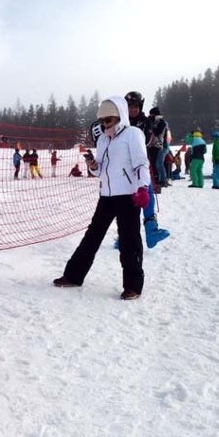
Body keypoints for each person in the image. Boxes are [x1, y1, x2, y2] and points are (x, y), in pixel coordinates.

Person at [54, 96, 148, 300]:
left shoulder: (133, 134)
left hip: (128, 195)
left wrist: (142, 188)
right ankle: (73, 275)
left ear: (120, 116)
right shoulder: (103, 139)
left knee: (129, 239)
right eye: (102, 120)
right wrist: (93, 165)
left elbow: (141, 163)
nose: (105, 124)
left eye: (109, 120)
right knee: (92, 236)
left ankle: (133, 286)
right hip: (106, 195)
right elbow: (100, 170)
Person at [122, 91, 169, 248]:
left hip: (140, 163)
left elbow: (148, 139)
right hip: (123, 167)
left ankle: (151, 230)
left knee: (147, 194)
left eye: (136, 106)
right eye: (130, 106)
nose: (133, 109)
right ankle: (124, 238)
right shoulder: (120, 120)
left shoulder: (144, 121)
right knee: (126, 201)